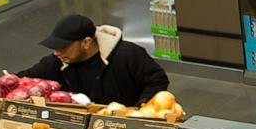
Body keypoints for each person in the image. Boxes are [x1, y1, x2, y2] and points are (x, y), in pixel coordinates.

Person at [20, 13, 170, 107]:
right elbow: (22, 80)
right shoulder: (56, 62)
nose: (56, 52)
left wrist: (138, 109)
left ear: (86, 42)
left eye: (63, 47)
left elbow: (157, 80)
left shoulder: (127, 55)